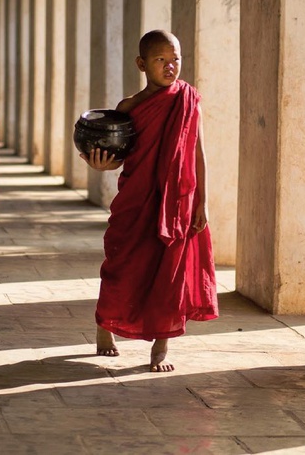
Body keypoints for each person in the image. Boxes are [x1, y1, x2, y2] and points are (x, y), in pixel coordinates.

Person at [80, 29, 218, 371]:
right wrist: (100, 164)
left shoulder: (189, 101)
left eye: (176, 60)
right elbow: (117, 155)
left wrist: (202, 201)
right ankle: (105, 325)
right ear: (142, 64)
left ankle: (161, 346)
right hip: (137, 199)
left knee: (170, 274)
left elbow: (198, 153)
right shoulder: (130, 107)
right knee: (121, 264)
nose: (171, 68)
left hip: (177, 201)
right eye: (161, 61)